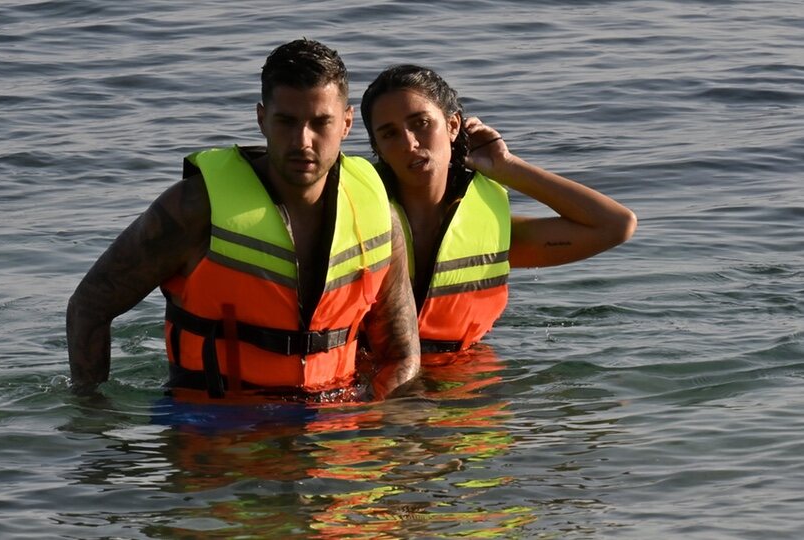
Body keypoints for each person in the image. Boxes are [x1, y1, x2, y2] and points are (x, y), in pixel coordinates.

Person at [66, 40, 421, 401]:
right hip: (215, 426)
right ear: (261, 118)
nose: (303, 141)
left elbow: (402, 355)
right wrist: (94, 419)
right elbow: (89, 307)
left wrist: (380, 424)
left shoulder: (377, 213)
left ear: (346, 123)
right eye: (286, 121)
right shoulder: (194, 208)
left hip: (333, 430)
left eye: (320, 122)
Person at [360, 65, 637, 353]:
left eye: (421, 123)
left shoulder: (492, 232)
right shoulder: (354, 223)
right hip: (369, 381)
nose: (410, 143)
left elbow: (616, 225)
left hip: (466, 382)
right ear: (378, 148)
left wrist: (507, 167)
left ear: (453, 126)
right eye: (390, 134)